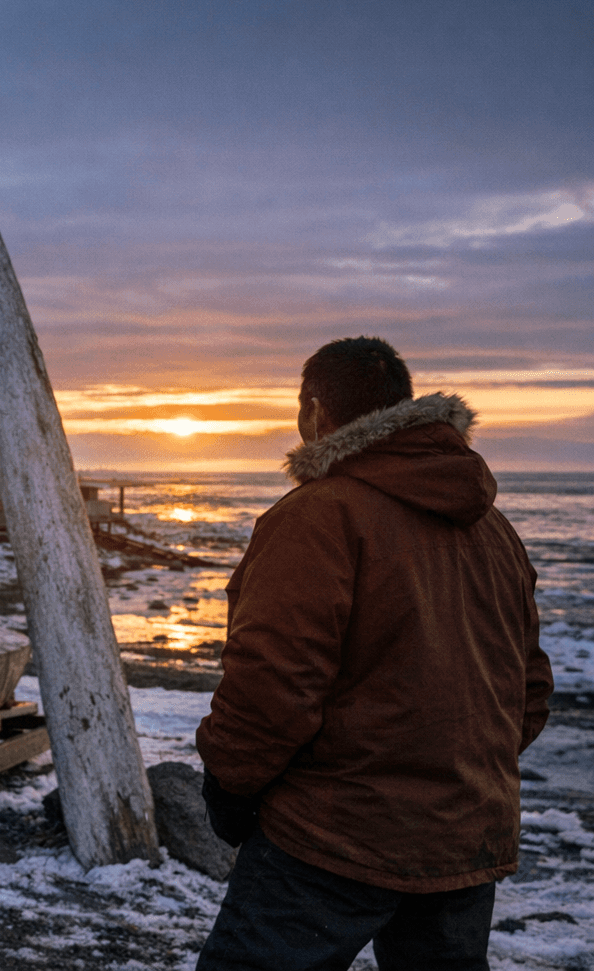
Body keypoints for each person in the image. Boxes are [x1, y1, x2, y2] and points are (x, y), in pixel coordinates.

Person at [195, 336, 553, 970]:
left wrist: (230, 785)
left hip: (331, 835)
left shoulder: (318, 517)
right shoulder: (496, 531)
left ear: (314, 412)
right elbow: (526, 687)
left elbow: (272, 685)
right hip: (464, 836)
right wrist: (455, 773)